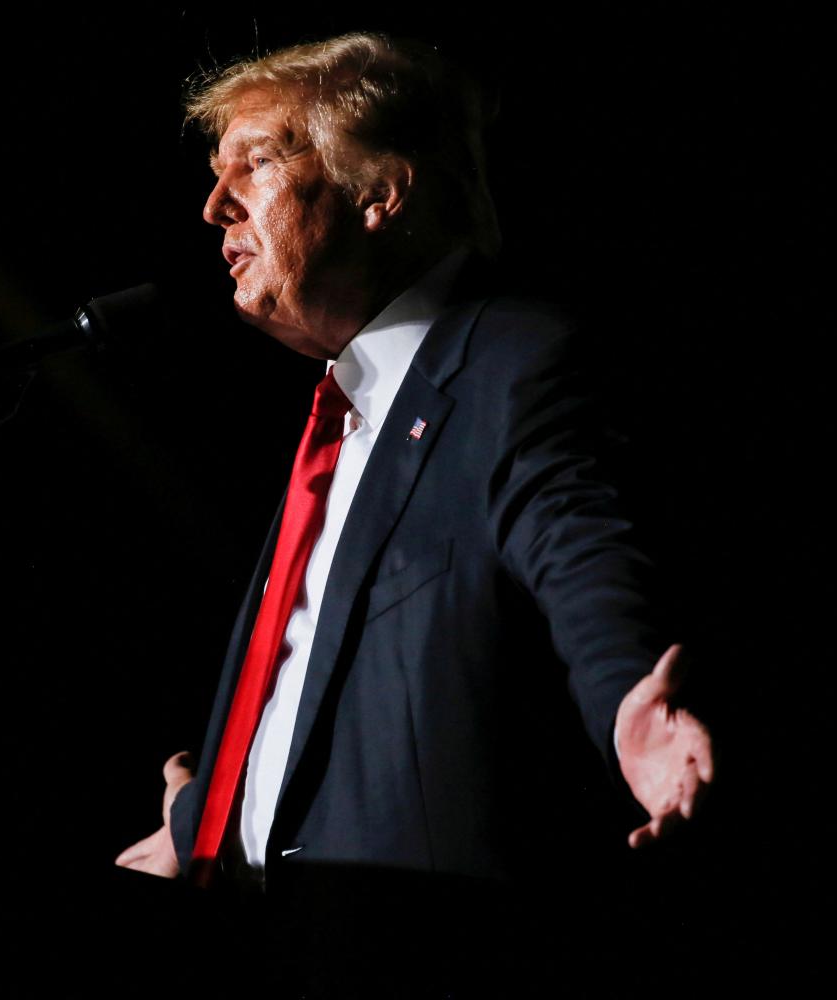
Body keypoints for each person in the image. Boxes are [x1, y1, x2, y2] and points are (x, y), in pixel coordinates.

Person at [116, 32, 712, 898]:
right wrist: (207, 818)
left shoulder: (510, 358)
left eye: (252, 164)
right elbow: (330, 700)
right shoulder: (344, 420)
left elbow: (578, 545)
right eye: (216, 172)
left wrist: (632, 709)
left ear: (380, 195)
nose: (214, 206)